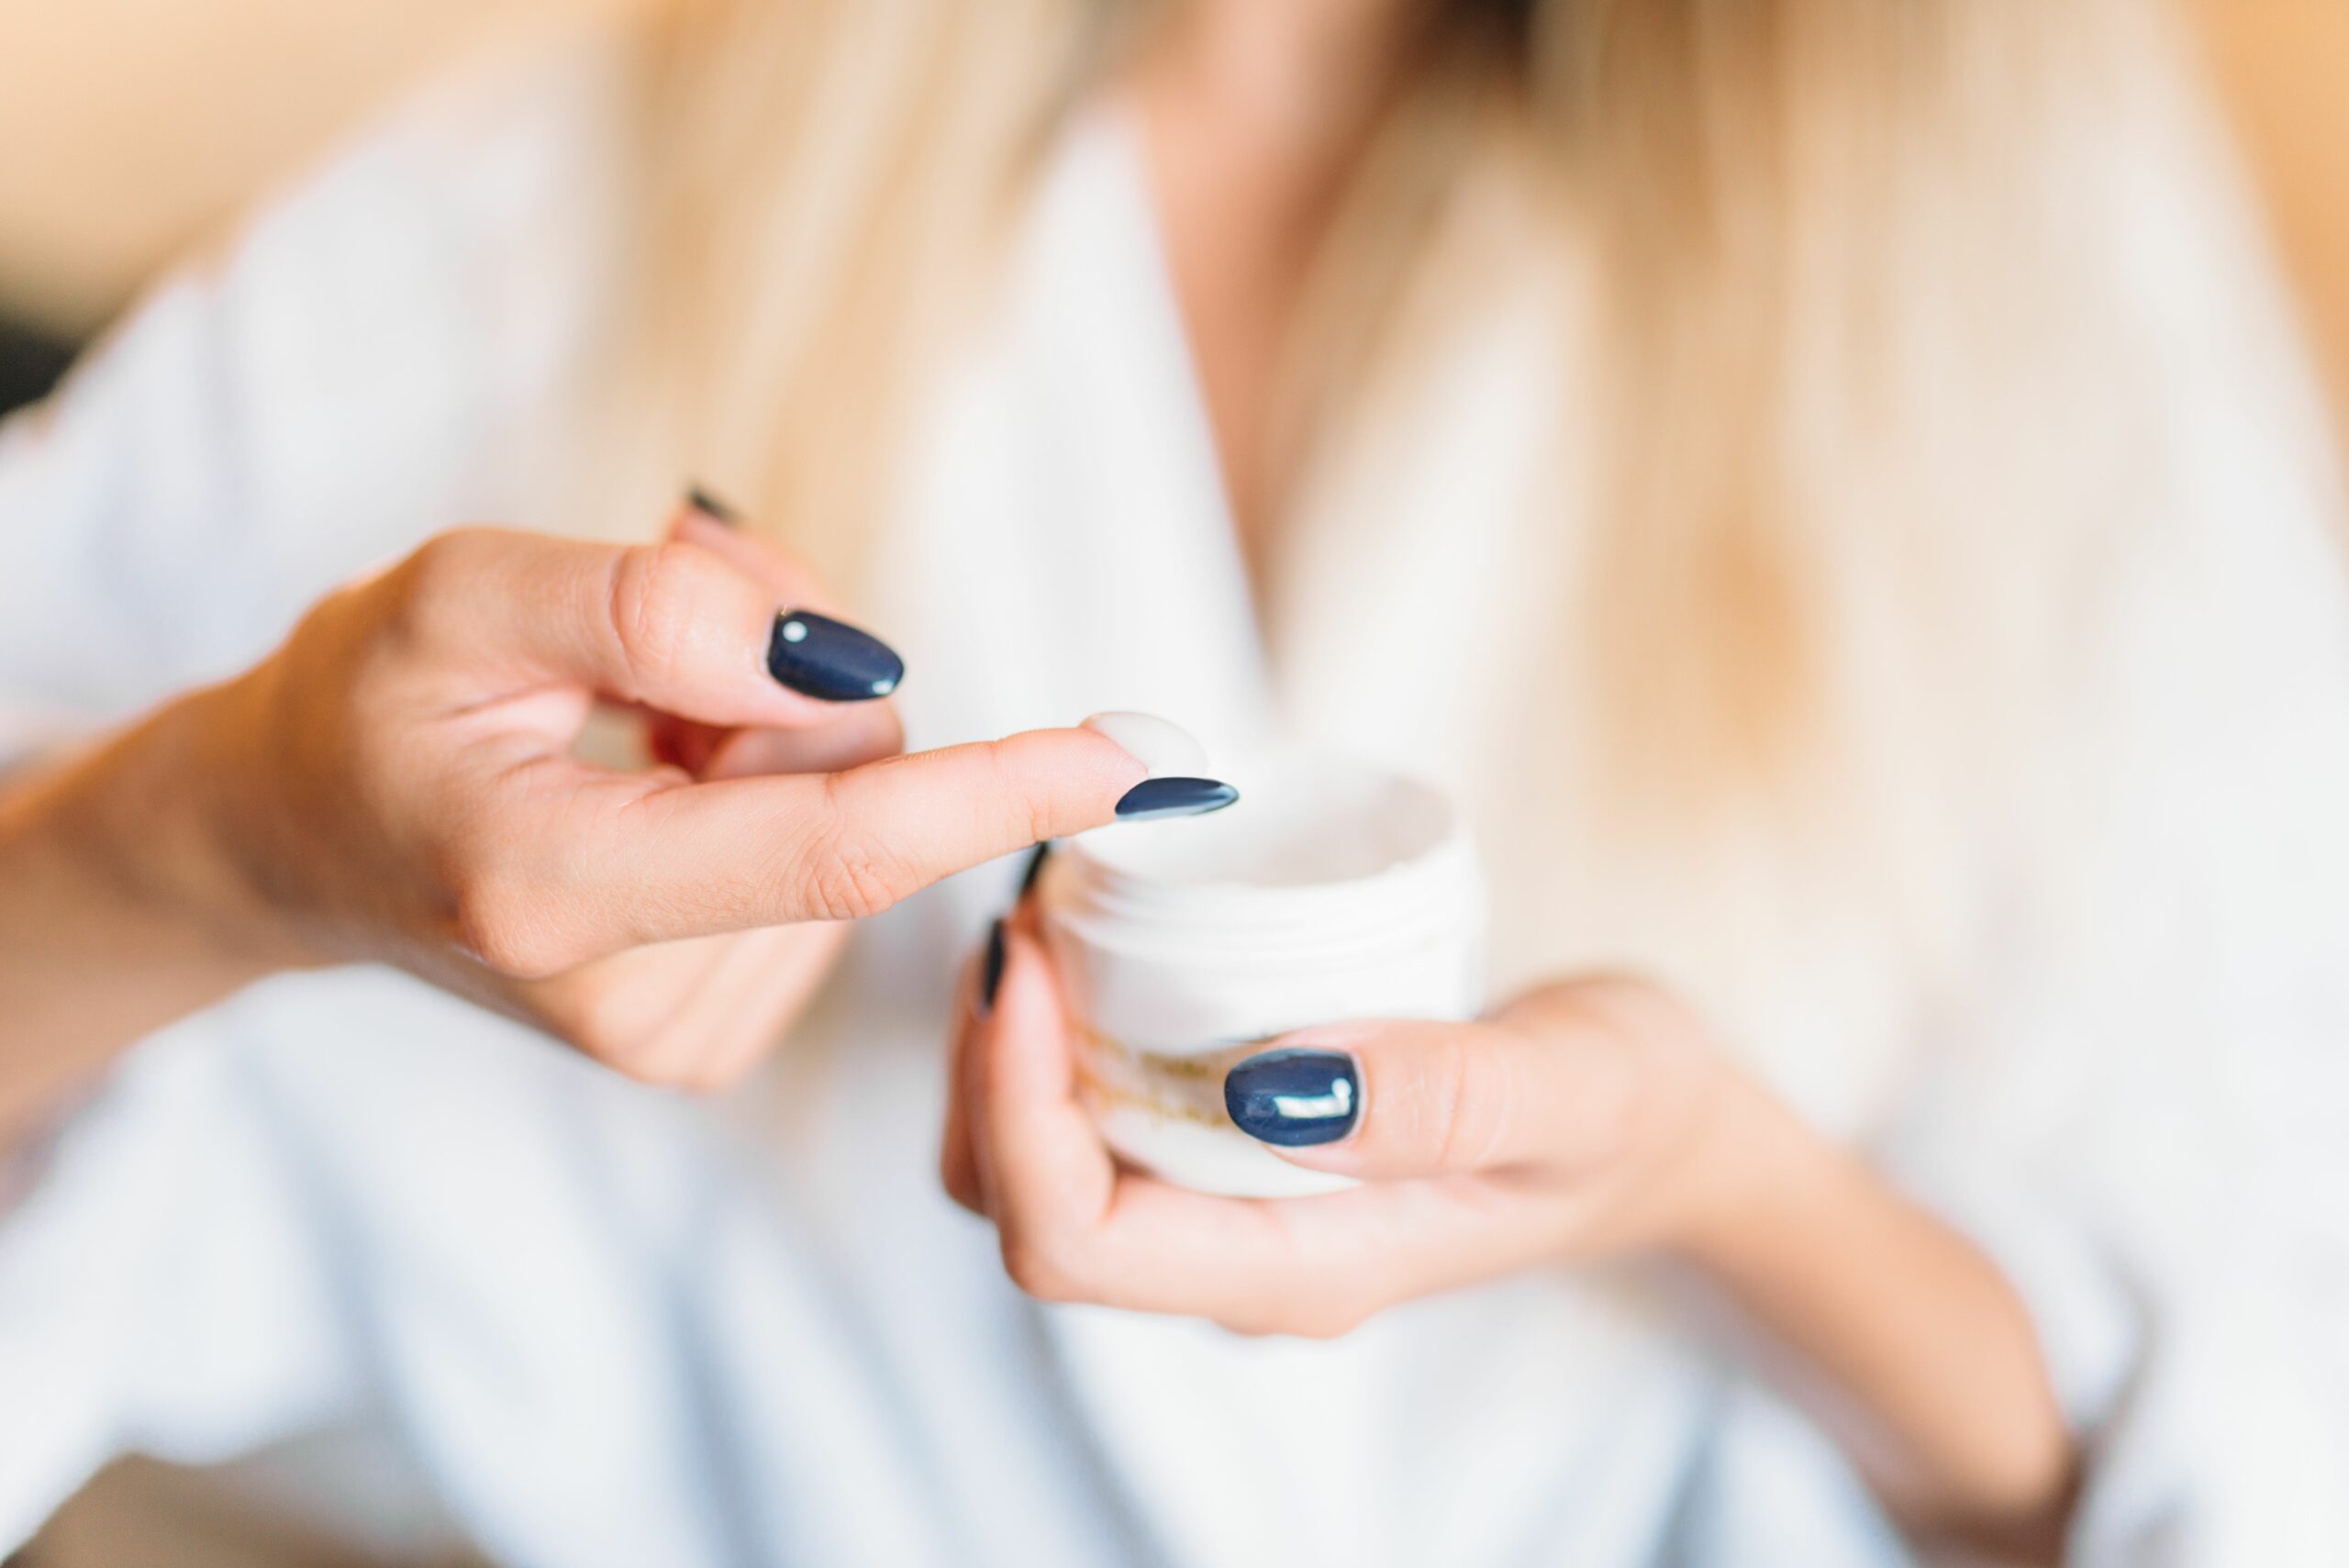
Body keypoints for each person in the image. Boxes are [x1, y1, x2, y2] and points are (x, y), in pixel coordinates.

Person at [5, 0, 2347, 1563]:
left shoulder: (2009, 235)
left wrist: (1719, 1190)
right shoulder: (547, 218)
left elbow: (2263, 1402)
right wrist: (217, 840)